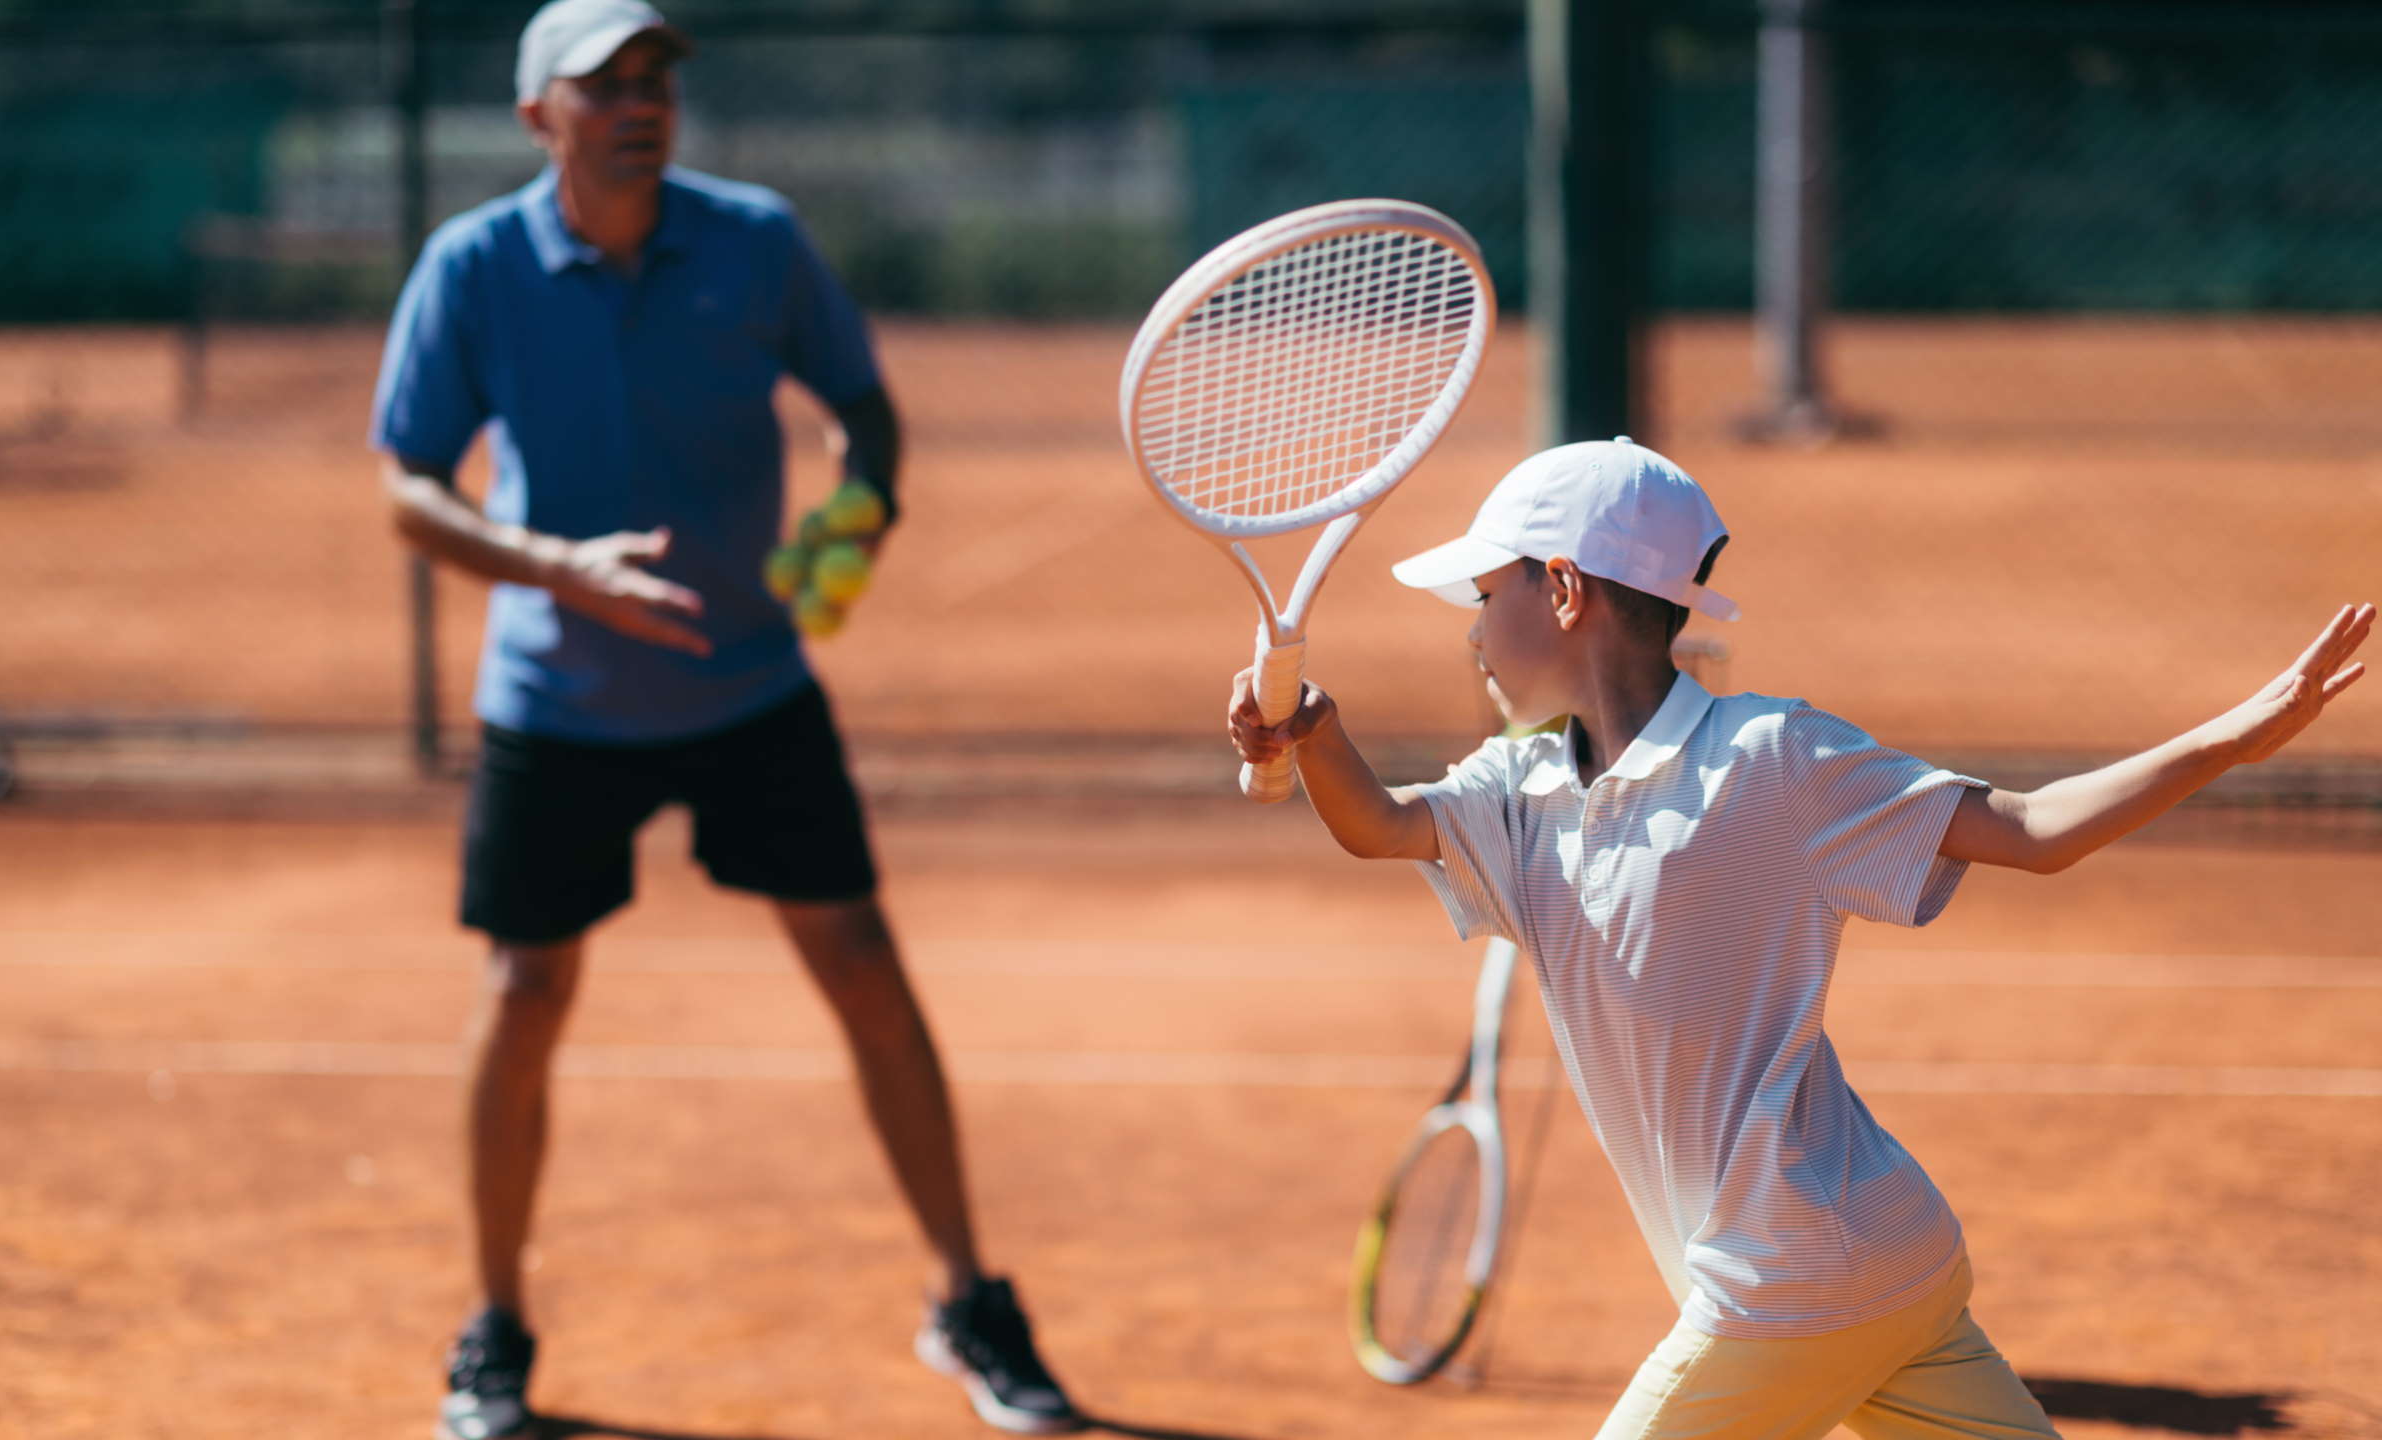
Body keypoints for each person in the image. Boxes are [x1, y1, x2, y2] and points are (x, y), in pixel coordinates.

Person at [1227, 435, 2371, 1440]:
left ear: (1564, 590)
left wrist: (2236, 736)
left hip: (1787, 1282)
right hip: (1881, 1265)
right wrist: (1312, 735)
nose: (1473, 632)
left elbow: (2029, 829)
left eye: (1484, 595)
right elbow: (1380, 825)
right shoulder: (1515, 792)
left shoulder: (1772, 760)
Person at [369, 3, 1079, 1436]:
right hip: (556, 695)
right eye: (605, 86)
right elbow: (410, 488)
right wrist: (556, 568)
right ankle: (493, 1326)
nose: (642, 104)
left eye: (657, 81)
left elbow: (863, 408)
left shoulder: (755, 239)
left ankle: (967, 1299)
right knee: (525, 993)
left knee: (863, 966)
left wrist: (856, 518)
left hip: (750, 682)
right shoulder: (474, 266)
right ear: (538, 118)